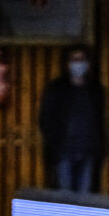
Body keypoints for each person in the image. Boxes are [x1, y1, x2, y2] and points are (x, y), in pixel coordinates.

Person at [38, 44, 105, 192]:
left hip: (88, 151)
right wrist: (54, 143)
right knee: (64, 195)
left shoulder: (94, 90)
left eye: (81, 59)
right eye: (75, 59)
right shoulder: (57, 89)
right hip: (63, 151)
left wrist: (98, 148)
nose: (78, 64)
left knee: (85, 196)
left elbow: (99, 121)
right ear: (67, 63)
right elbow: (46, 119)